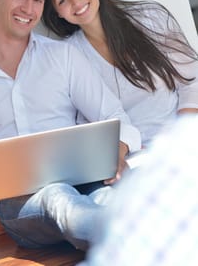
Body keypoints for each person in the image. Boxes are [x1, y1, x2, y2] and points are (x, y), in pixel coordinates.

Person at [0, 0, 141, 251]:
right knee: (58, 197)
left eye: (38, 0)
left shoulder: (63, 57)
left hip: (86, 182)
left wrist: (118, 152)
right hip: (20, 204)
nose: (28, 9)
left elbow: (115, 116)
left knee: (109, 198)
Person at [42, 0, 198, 148]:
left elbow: (192, 82)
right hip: (133, 158)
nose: (76, 2)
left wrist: (182, 136)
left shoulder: (150, 17)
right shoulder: (68, 54)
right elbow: (87, 124)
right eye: (62, 0)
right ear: (57, 12)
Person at [76, 114, 198, 266]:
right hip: (126, 172)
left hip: (135, 170)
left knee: (59, 199)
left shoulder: (184, 146)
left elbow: (125, 126)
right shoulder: (182, 144)